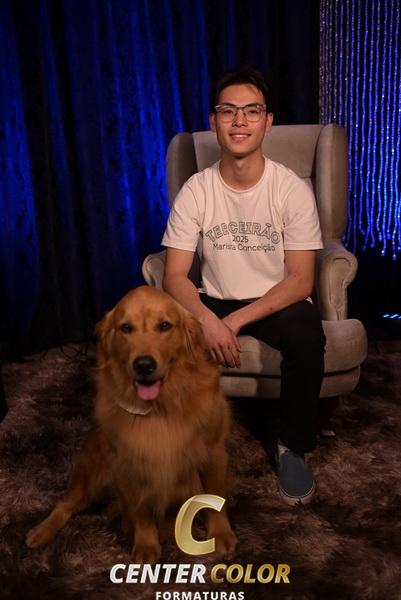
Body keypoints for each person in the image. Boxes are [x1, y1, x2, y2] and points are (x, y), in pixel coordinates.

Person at [161, 67, 326, 506]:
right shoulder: (196, 190)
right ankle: (176, 445)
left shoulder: (290, 189)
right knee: (164, 335)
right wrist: (206, 319)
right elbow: (174, 275)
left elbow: (300, 280)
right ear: (214, 121)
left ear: (267, 122)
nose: (239, 121)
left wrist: (232, 323)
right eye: (228, 111)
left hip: (274, 299)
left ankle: (292, 447)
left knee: (307, 333)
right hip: (213, 297)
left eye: (251, 111)